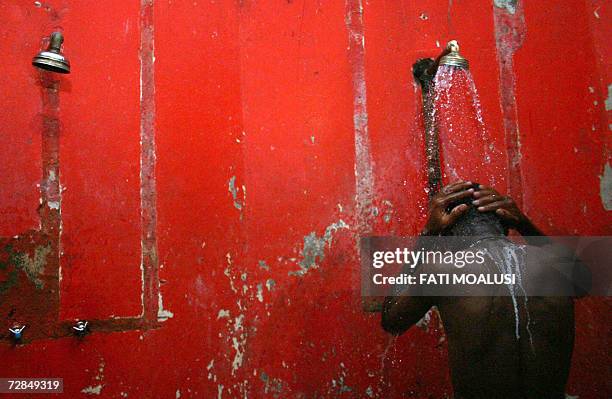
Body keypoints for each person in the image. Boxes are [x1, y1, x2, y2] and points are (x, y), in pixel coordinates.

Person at [381, 181, 588, 399]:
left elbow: (392, 319)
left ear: (448, 236)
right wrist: (524, 224)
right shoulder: (559, 262)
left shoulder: (441, 270)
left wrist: (428, 234)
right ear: (506, 223)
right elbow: (582, 286)